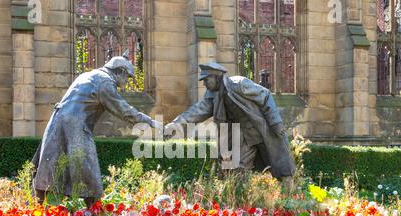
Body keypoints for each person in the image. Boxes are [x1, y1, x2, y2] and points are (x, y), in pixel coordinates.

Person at [32, 51, 162, 207]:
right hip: (75, 126)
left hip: (57, 121)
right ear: (119, 71)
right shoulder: (104, 82)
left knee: (51, 166)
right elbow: (123, 110)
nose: (127, 82)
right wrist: (150, 121)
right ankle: (94, 215)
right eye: (127, 77)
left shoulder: (89, 75)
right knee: (87, 171)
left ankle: (40, 212)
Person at [164, 62, 296, 182]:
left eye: (206, 79)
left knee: (281, 167)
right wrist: (175, 125)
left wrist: (276, 122)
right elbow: (196, 112)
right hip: (240, 137)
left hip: (259, 130)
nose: (204, 84)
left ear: (217, 77)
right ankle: (239, 200)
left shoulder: (239, 84)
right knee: (235, 169)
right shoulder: (212, 95)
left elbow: (265, 95)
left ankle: (289, 197)